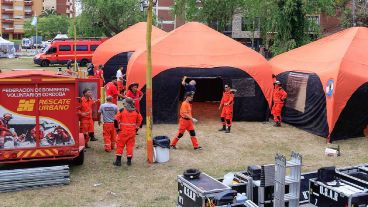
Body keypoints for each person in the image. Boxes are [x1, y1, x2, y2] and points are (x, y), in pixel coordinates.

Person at [113, 98, 142, 166]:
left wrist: (117, 129)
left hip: (122, 132)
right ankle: (129, 161)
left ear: (126, 103)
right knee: (130, 146)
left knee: (120, 146)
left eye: (124, 103)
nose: (123, 104)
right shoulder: (136, 111)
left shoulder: (122, 110)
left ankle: (118, 161)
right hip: (132, 132)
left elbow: (115, 120)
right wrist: (136, 129)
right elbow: (140, 121)